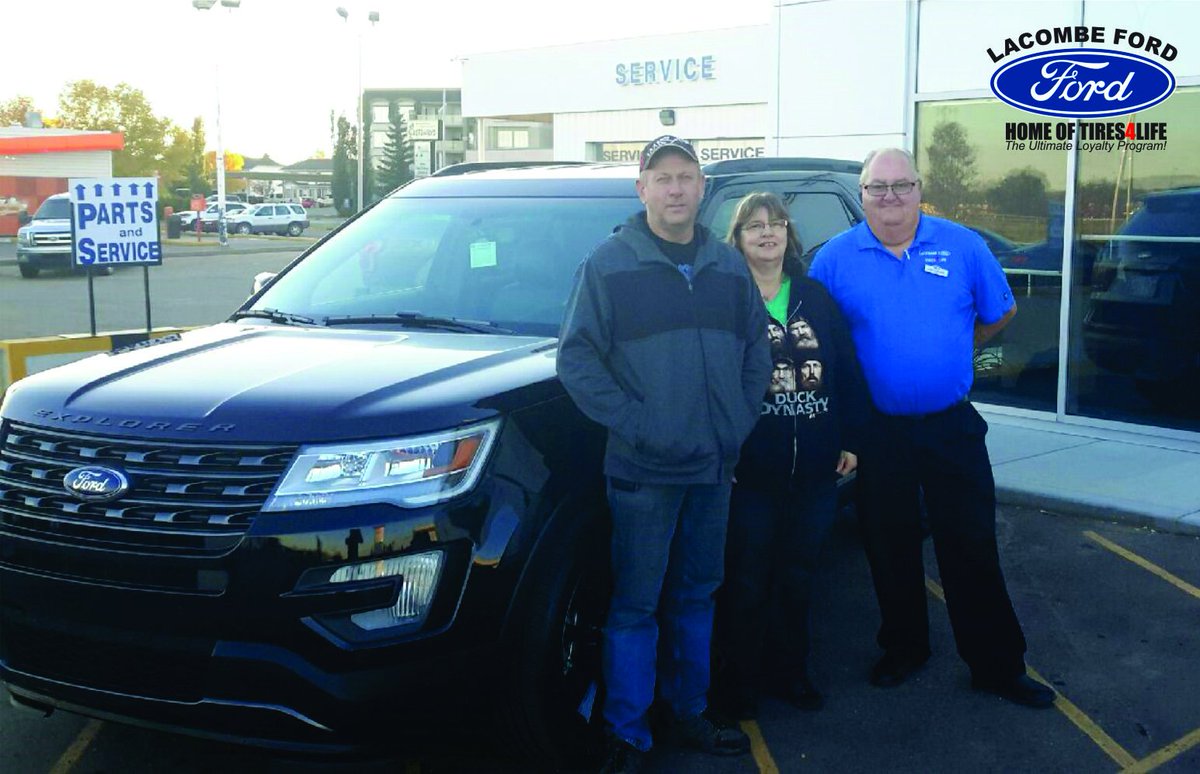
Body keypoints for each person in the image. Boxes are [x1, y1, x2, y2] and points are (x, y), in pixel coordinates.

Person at [808, 148, 1055, 709]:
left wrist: (956, 352)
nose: (890, 197)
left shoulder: (964, 244)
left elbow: (1001, 311)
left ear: (920, 190)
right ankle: (904, 649)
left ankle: (996, 665)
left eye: (902, 185)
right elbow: (825, 341)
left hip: (951, 428)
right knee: (888, 544)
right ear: (863, 193)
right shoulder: (835, 260)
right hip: (878, 432)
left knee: (970, 543)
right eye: (878, 187)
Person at [557, 135, 771, 772]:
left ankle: (688, 712)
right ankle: (627, 732)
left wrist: (736, 419)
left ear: (702, 188)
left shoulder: (728, 268)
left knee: (697, 595)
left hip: (713, 468)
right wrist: (639, 425)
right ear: (642, 189)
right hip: (644, 473)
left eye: (687, 176)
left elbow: (757, 352)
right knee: (636, 605)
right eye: (663, 178)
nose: (676, 188)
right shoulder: (608, 265)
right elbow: (576, 359)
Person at [714, 191, 866, 720]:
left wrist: (850, 439)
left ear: (788, 235)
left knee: (798, 577)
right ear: (737, 239)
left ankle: (792, 673)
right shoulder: (726, 299)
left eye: (776, 223)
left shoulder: (814, 296)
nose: (767, 232)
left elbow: (846, 368)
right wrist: (724, 453)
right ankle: (738, 685)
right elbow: (712, 385)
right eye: (754, 226)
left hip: (817, 472)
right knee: (748, 581)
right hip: (752, 473)